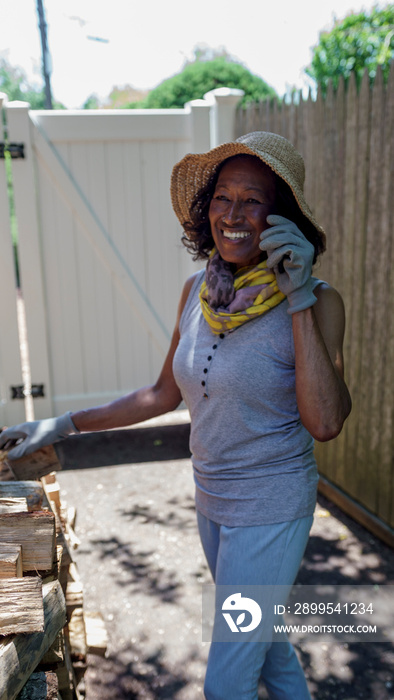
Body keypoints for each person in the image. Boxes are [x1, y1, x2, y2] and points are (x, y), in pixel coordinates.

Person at [0, 131, 351, 699]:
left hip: (269, 508)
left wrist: (299, 296)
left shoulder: (317, 299)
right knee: (267, 648)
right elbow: (162, 394)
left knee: (227, 682)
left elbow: (326, 422)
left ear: (282, 217)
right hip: (212, 500)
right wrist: (61, 424)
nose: (232, 214)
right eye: (221, 198)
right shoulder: (198, 291)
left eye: (253, 200)